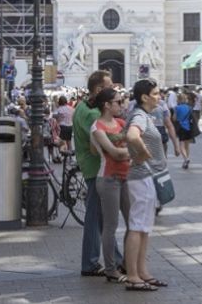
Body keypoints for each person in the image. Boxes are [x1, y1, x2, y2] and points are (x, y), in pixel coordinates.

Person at [122, 79, 171, 291]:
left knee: (144, 227)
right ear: (144, 97)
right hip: (142, 176)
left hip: (147, 177)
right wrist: (142, 153)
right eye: (156, 93)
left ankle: (142, 271)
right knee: (137, 226)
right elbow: (132, 135)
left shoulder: (145, 116)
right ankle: (133, 275)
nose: (159, 97)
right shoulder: (140, 115)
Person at [75, 71, 123, 277]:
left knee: (103, 219)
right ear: (99, 90)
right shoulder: (94, 115)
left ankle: (118, 259)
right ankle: (90, 262)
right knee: (95, 218)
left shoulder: (82, 106)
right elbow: (103, 141)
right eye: (110, 86)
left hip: (91, 166)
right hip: (97, 168)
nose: (114, 89)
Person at [90, 88, 132, 284]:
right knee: (111, 225)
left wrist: (127, 150)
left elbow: (128, 146)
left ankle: (127, 262)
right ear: (107, 105)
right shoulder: (97, 128)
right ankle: (110, 269)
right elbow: (115, 153)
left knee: (133, 222)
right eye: (118, 101)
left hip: (125, 177)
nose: (122, 105)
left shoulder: (121, 123)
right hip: (108, 179)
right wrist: (131, 151)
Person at [173, 92, 195, 169]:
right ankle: (186, 161)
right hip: (188, 128)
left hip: (181, 128)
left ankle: (186, 159)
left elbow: (174, 118)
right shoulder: (189, 107)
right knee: (187, 146)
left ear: (178, 99)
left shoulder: (177, 108)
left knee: (181, 146)